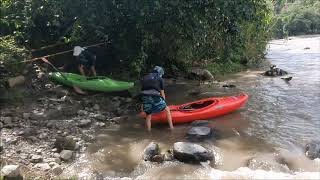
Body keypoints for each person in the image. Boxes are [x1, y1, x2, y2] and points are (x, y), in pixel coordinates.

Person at [140, 66, 174, 131]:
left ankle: (148, 131)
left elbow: (143, 92)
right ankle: (172, 128)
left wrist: (142, 104)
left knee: (148, 115)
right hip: (155, 97)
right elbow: (162, 93)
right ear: (160, 73)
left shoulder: (144, 78)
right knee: (167, 109)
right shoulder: (159, 78)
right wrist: (164, 102)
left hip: (145, 97)